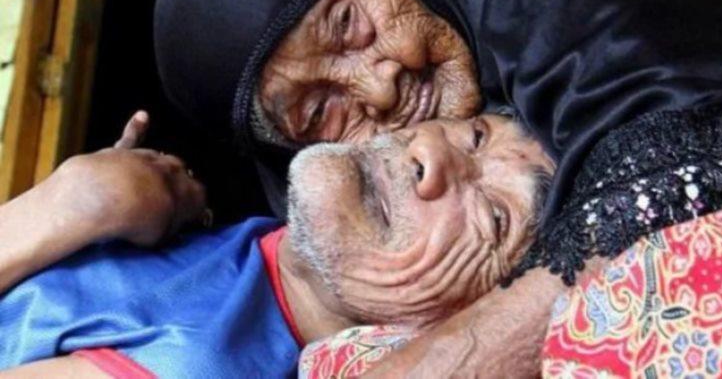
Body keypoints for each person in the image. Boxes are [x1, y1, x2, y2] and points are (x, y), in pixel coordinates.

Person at [153, 0, 722, 374]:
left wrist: (459, 355)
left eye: (348, 23)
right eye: (321, 110)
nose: (379, 86)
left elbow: (676, 154)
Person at [0, 113, 553, 377]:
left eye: (494, 217)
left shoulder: (199, 366)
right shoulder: (233, 250)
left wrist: (68, 204)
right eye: (476, 135)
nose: (433, 156)